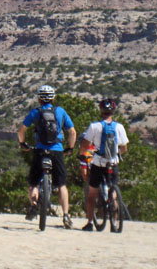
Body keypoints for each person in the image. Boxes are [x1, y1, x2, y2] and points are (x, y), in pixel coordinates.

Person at [17, 84, 76, 229]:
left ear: (39, 99)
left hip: (40, 150)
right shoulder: (60, 111)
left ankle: (33, 205)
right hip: (57, 151)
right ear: (53, 98)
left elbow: (21, 130)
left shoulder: (35, 112)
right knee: (61, 185)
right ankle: (66, 215)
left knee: (33, 183)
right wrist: (70, 148)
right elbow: (72, 132)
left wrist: (22, 143)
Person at [80, 98, 129, 231]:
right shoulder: (119, 127)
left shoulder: (94, 126)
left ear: (101, 111)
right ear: (113, 111)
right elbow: (124, 147)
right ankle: (115, 220)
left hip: (98, 163)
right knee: (113, 191)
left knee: (92, 194)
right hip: (113, 163)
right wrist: (117, 154)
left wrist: (82, 154)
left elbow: (85, 144)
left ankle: (90, 222)